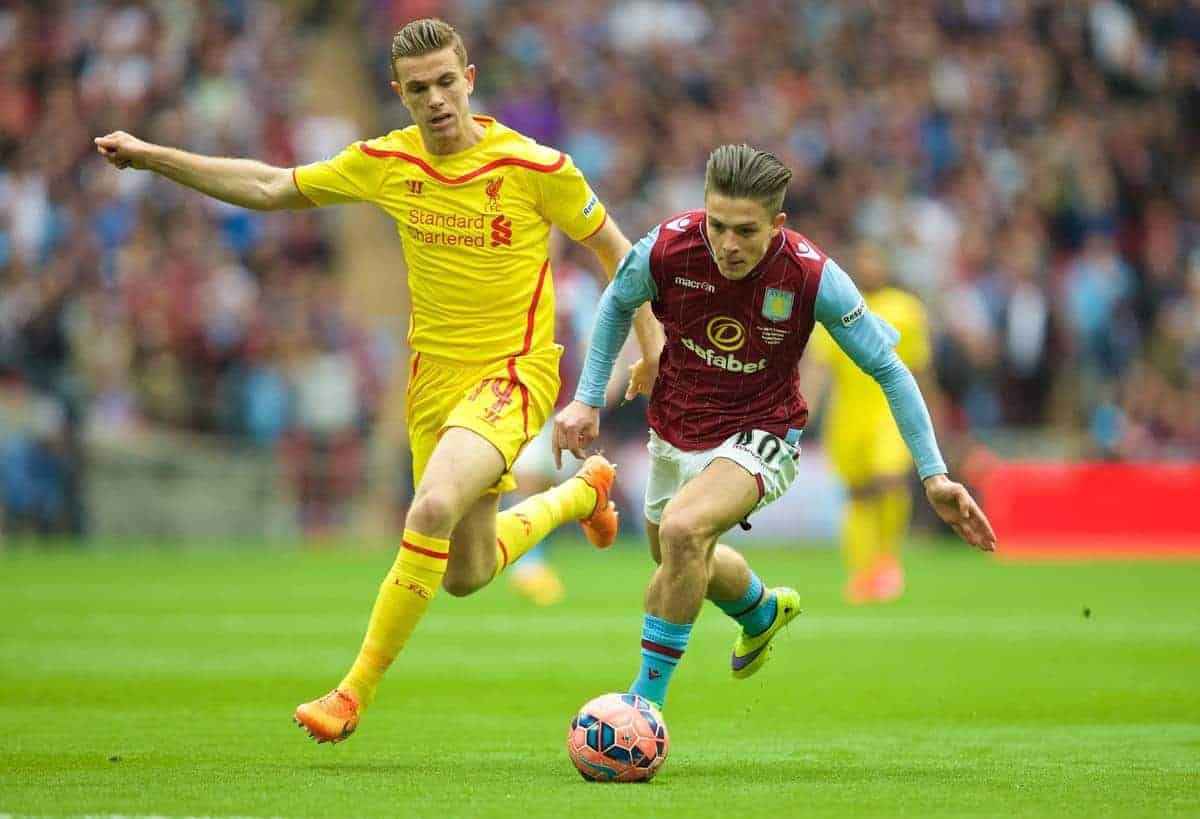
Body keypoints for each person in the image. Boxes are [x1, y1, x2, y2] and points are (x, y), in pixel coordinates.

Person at [95, 18, 661, 743]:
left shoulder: (536, 168)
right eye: (418, 89)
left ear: (470, 79)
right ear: (398, 93)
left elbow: (620, 252)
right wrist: (151, 158)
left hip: (514, 375)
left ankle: (349, 693)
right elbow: (272, 186)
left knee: (427, 510)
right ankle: (580, 494)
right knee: (467, 571)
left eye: (445, 82)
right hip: (432, 387)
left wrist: (649, 342)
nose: (434, 99)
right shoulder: (387, 162)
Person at [554, 144, 996, 710]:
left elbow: (890, 367)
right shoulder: (668, 247)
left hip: (763, 433)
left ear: (777, 224)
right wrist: (588, 400)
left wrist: (934, 476)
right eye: (718, 225)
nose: (728, 244)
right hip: (675, 426)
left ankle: (644, 707)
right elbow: (618, 301)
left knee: (685, 532)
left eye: (746, 230)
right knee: (675, 557)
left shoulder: (811, 275)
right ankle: (761, 610)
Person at [804, 240, 938, 603]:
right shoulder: (836, 306)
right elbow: (818, 368)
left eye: (874, 257)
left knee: (888, 478)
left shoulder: (907, 309)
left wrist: (932, 414)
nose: (868, 265)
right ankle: (864, 572)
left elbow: (920, 369)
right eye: (862, 258)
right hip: (848, 414)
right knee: (859, 493)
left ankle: (887, 561)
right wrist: (802, 414)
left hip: (890, 410)